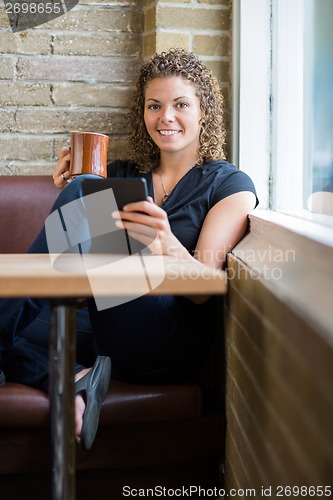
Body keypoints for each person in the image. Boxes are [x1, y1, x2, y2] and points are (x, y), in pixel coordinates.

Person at [0, 48, 258, 450]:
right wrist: (70, 193)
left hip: (167, 339)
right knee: (14, 326)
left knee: (84, 193)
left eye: (180, 104)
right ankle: (73, 380)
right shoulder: (121, 174)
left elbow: (206, 286)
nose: (165, 117)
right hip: (108, 327)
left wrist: (166, 243)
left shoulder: (228, 185)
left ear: (204, 111)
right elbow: (82, 278)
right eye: (154, 106)